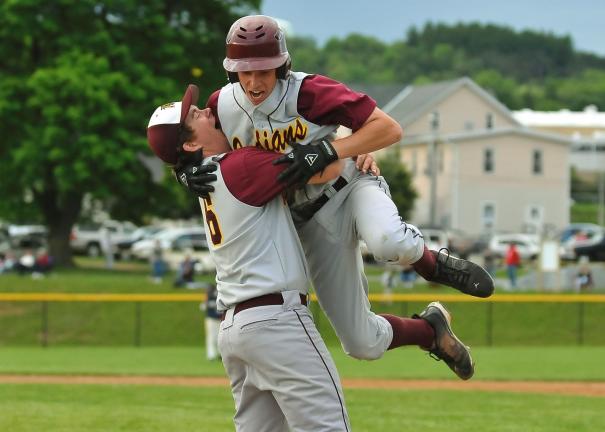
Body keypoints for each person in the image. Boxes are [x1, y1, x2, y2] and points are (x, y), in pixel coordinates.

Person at [147, 85, 475, 430]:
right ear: (190, 144)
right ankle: (428, 286)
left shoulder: (207, 178)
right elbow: (327, 169)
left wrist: (180, 169)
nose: (202, 110)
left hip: (233, 331)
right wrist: (354, 146)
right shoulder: (240, 166)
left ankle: (428, 321)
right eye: (193, 115)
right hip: (275, 320)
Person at [175, 15, 494, 364]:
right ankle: (430, 331)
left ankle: (433, 265)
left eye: (264, 69)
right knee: (362, 344)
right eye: (245, 71)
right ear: (231, 71)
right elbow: (192, 142)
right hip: (306, 222)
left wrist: (335, 148)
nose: (253, 80)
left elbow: (389, 129)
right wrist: (185, 172)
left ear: (282, 66)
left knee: (389, 242)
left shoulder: (308, 92)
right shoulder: (222, 105)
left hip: (348, 185)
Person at [200, 283, 221, 361]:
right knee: (211, 337)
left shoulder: (219, 295)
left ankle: (220, 354)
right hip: (211, 319)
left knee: (219, 337)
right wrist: (206, 303)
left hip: (219, 319)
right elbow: (202, 307)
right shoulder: (208, 297)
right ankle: (211, 355)